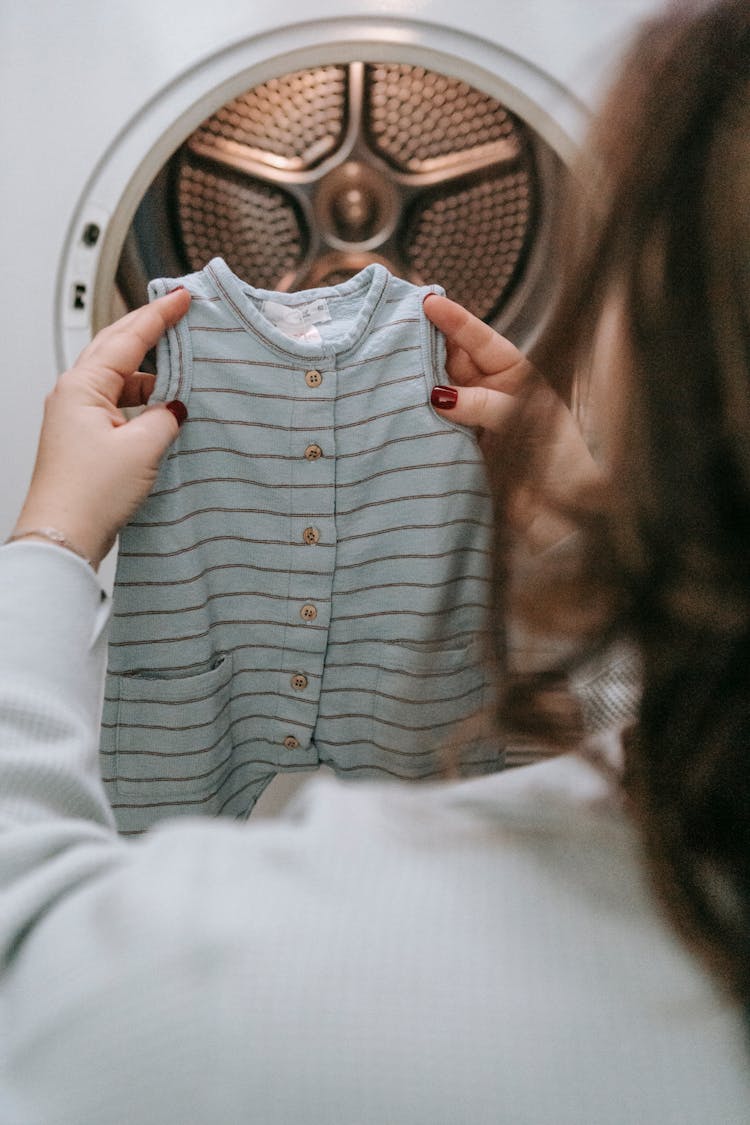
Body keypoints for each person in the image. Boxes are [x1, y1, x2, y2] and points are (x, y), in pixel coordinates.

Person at [1, 1, 749, 1120]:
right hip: (213, 696)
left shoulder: (242, 980)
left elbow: (28, 956)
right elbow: (644, 742)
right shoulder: (667, 840)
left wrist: (48, 545)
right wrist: (586, 546)